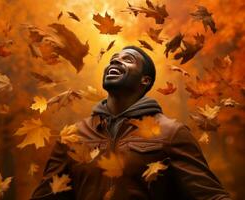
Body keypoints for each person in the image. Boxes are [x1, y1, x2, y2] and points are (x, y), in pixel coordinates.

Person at [31, 46, 231, 200]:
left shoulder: (171, 132)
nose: (115, 63)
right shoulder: (74, 135)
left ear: (145, 80)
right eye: (113, 60)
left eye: (127, 60)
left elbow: (210, 195)